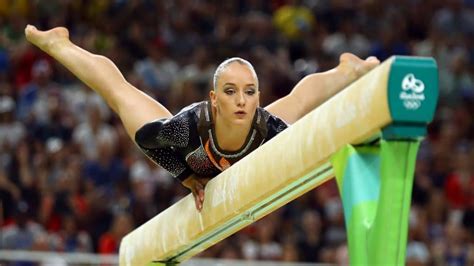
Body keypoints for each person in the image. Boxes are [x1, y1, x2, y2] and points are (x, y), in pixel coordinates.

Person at [24, 25, 379, 211]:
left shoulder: (266, 125)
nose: (242, 100)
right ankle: (60, 44)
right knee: (120, 93)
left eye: (250, 91)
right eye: (230, 91)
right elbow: (148, 140)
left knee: (300, 102)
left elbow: (302, 127)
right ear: (214, 98)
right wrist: (187, 175)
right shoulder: (188, 127)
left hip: (243, 148)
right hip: (184, 147)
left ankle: (347, 69)